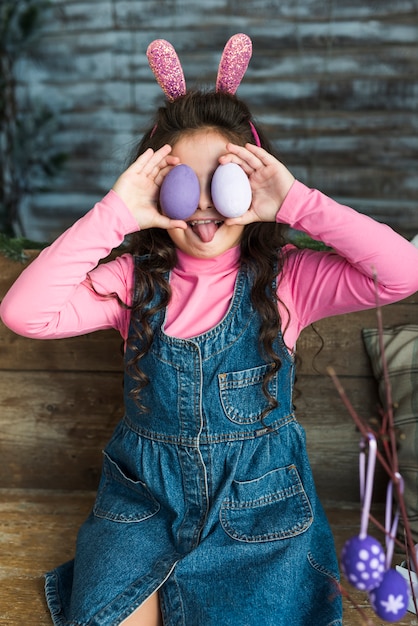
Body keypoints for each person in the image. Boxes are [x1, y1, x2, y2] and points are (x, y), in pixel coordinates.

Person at [1, 35, 418, 626]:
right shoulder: (133, 282)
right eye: (179, 183)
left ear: (253, 184)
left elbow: (403, 272)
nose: (202, 206)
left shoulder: (288, 281)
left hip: (261, 516)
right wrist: (117, 211)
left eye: (222, 181)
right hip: (143, 504)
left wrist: (296, 201)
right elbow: (24, 313)